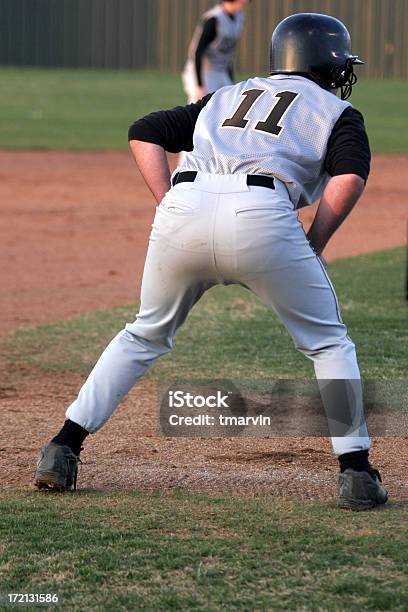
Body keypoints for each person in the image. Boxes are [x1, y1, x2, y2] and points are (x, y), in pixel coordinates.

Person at [35, 13, 388, 511]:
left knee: (144, 334)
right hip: (264, 215)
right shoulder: (335, 110)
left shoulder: (229, 94)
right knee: (328, 342)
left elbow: (145, 131)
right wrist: (315, 241)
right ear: (328, 65)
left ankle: (62, 447)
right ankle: (356, 474)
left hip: (185, 207)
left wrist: (168, 205)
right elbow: (347, 179)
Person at [182, 0, 250, 104]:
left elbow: (227, 53)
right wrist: (199, 85)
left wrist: (230, 79)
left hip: (221, 70)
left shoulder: (238, 17)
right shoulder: (214, 19)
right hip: (204, 71)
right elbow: (198, 52)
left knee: (229, 106)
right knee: (200, 110)